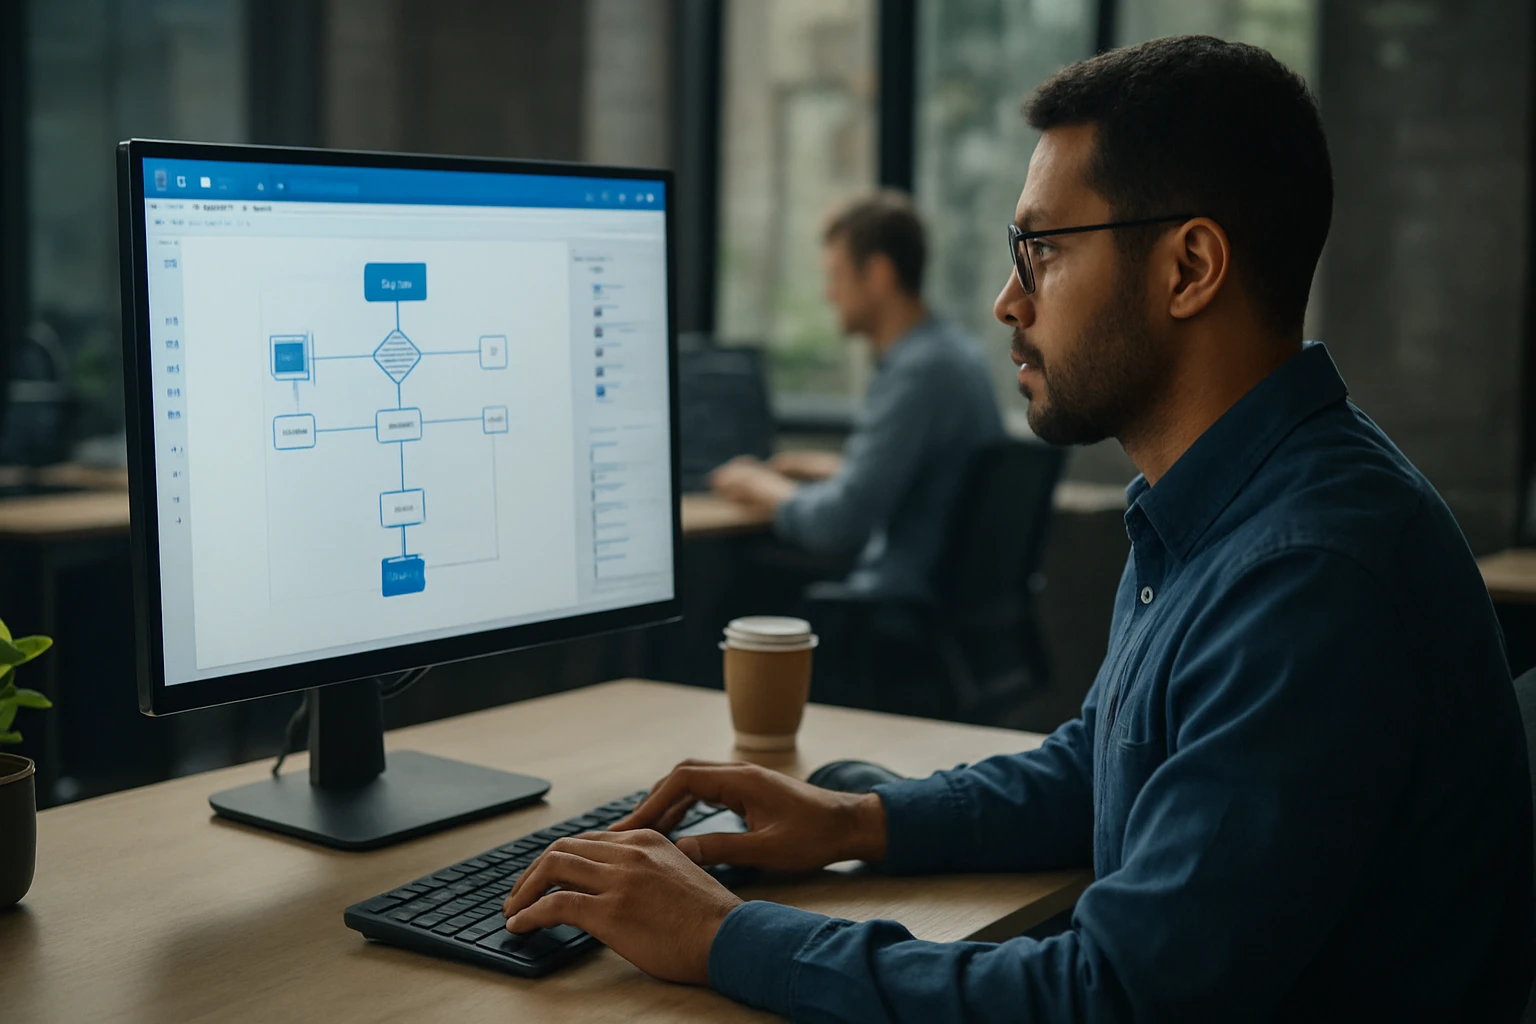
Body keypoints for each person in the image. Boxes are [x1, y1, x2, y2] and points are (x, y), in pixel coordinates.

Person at [501, 35, 1536, 1021]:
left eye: (1040, 250)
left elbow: (1111, 1000)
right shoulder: (1233, 503)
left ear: (1189, 268)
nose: (1006, 301)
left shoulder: (1312, 574)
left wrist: (727, 936)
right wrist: (858, 821)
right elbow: (1104, 762)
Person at [710, 192, 1003, 613]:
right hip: (950, 602)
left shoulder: (918, 373)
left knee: (726, 586)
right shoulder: (957, 355)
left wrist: (762, 486)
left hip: (899, 597)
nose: (829, 294)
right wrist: (839, 470)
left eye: (836, 276)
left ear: (879, 274)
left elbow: (838, 526)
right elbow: (931, 478)